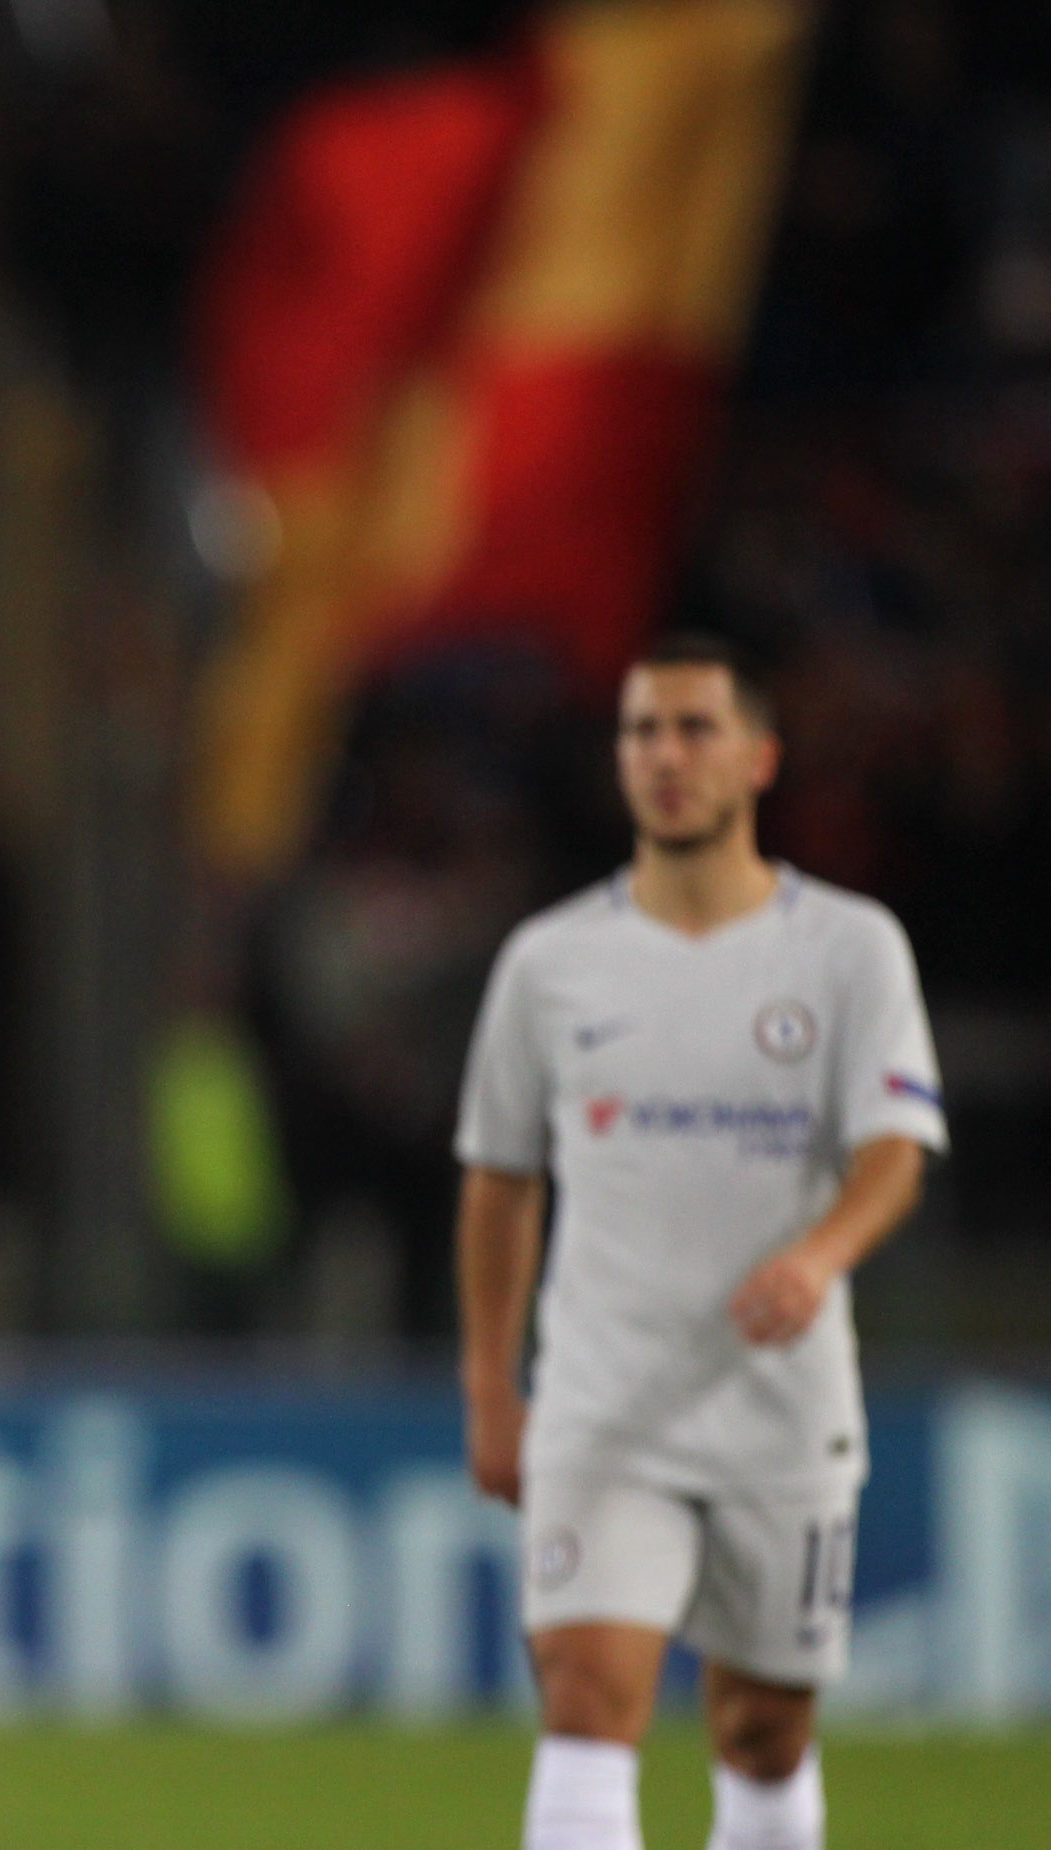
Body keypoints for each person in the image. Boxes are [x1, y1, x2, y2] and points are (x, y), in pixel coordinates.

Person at [454, 633, 946, 1850]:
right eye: (640, 731)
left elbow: (896, 1143)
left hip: (779, 1406)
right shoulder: (551, 963)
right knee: (586, 1690)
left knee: (764, 1728)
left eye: (693, 728)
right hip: (603, 1400)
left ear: (758, 758)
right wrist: (488, 1378)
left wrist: (820, 1255)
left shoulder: (847, 948)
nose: (664, 756)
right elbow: (501, 1178)